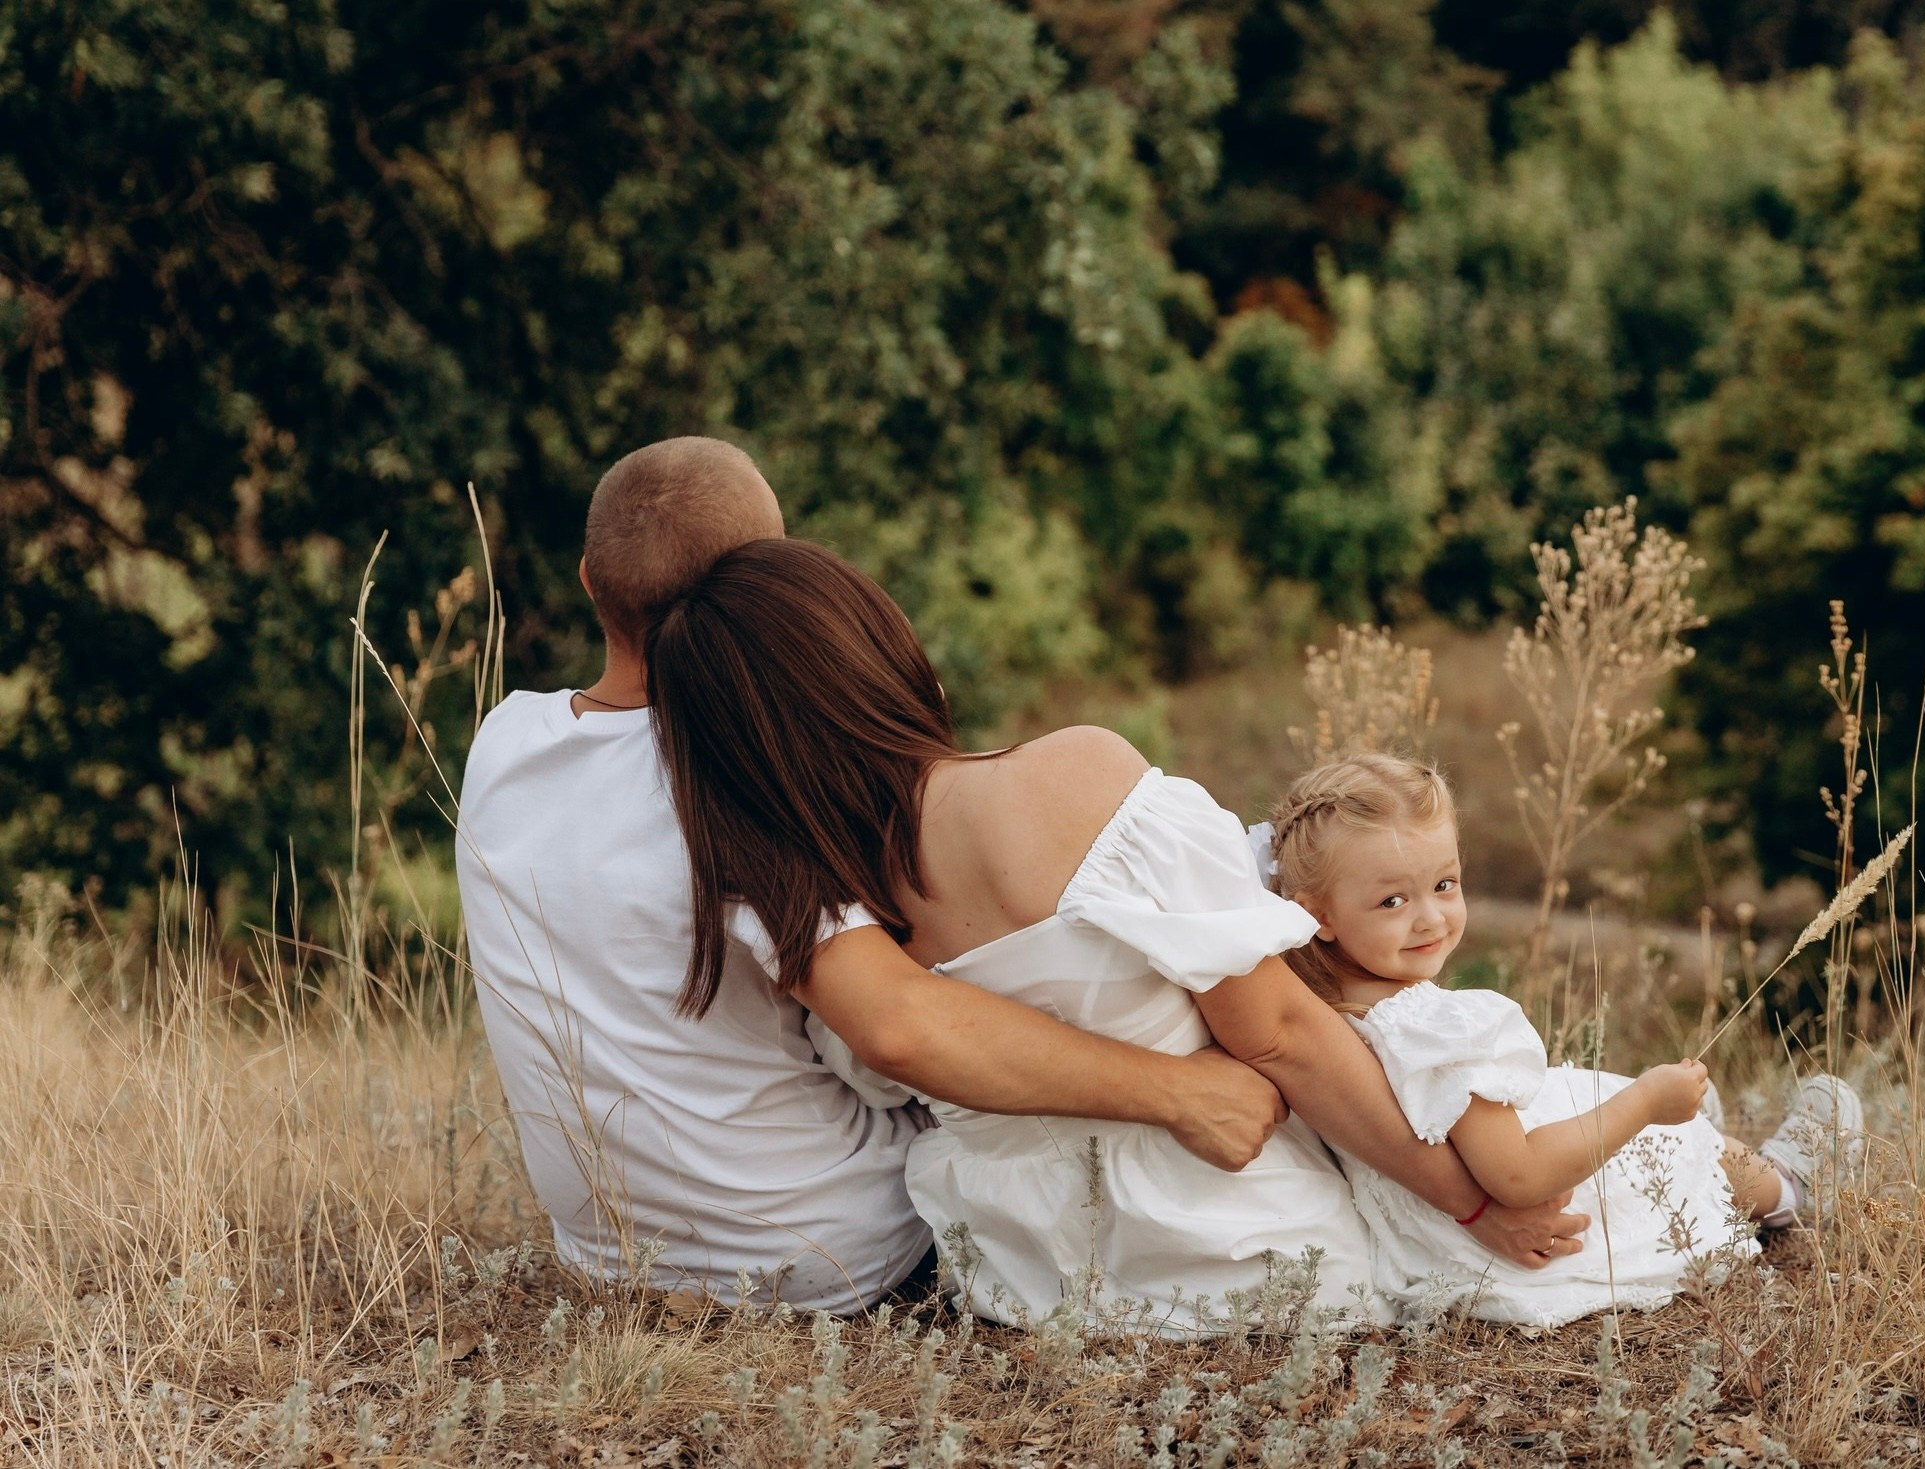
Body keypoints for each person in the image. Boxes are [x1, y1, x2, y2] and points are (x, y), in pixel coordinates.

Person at [641, 537, 1592, 1333]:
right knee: (1600, 1141)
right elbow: (1279, 1035)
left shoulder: (809, 914)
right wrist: (1468, 1202)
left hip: (1029, 1277)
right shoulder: (1066, 776)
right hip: (1242, 1238)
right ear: (877, 651)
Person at [456, 437, 1296, 1313]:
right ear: (764, 586)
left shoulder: (503, 744)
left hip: (610, 1255)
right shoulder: (732, 783)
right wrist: (1179, 1094)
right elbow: (900, 1025)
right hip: (828, 1256)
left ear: (591, 581)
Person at [1254, 752, 1865, 1328]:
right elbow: (1518, 1178)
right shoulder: (1439, 1030)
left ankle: (1691, 1120)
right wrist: (1648, 1102)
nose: (1432, 918)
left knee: (1597, 1098)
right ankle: (1789, 1185)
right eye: (1393, 900)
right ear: (1319, 914)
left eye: (1445, 884)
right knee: (1676, 1146)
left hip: (1430, 1252)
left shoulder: (1314, 1012)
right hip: (1532, 1235)